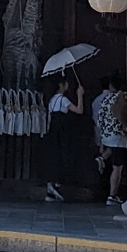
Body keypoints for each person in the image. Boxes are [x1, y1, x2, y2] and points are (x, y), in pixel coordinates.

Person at [43, 70, 85, 202]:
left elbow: (49, 119)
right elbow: (79, 110)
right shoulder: (63, 99)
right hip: (62, 132)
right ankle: (56, 185)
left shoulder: (52, 100)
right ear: (62, 85)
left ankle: (52, 185)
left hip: (53, 132)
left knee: (54, 156)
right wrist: (80, 95)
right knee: (62, 156)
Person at [90, 75, 127, 205]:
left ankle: (102, 158)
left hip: (106, 134)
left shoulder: (105, 99)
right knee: (117, 167)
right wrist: (125, 126)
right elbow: (120, 113)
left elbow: (99, 118)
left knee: (112, 151)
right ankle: (113, 195)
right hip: (118, 134)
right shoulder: (121, 98)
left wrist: (102, 136)